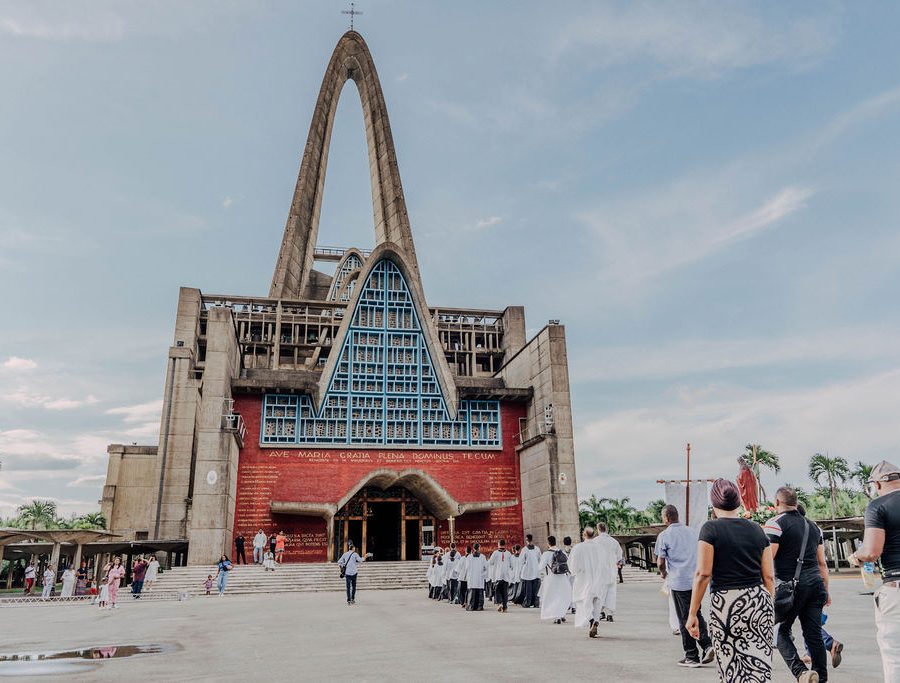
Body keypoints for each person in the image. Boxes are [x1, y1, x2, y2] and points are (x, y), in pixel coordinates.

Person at [686, 478, 774, 682]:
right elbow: (769, 575)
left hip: (726, 605)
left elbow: (703, 574)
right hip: (758, 600)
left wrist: (693, 614)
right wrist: (769, 603)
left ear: (714, 504)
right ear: (738, 503)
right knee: (759, 665)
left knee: (731, 667)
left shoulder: (710, 529)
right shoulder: (757, 529)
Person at [765, 486, 830, 683]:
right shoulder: (814, 526)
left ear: (777, 503)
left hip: (791, 588)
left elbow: (767, 561)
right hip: (816, 585)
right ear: (796, 503)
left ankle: (801, 672)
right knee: (813, 634)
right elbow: (822, 563)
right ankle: (821, 678)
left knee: (780, 630)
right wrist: (826, 590)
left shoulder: (774, 524)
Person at [849, 460, 900, 681]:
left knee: (895, 655)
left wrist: (856, 556)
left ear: (877, 484)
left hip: (896, 585)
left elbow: (871, 551)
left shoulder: (878, 506)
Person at [656, 504, 714, 668]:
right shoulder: (693, 532)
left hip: (679, 581)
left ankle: (693, 654)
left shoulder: (665, 535)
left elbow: (660, 562)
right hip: (696, 580)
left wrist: (663, 574)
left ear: (666, 518)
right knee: (695, 612)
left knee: (684, 618)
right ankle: (705, 646)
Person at [569, 526, 617, 638]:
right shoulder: (600, 548)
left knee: (583, 602)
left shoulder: (578, 548)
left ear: (584, 535)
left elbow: (573, 566)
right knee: (597, 602)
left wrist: (574, 572)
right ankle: (595, 621)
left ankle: (590, 619)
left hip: (584, 579)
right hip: (599, 579)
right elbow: (607, 564)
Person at [539, 535, 573, 624]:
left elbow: (540, 567)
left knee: (553, 597)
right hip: (562, 577)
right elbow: (568, 564)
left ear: (548, 543)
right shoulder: (562, 552)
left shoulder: (546, 554)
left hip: (551, 577)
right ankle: (561, 615)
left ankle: (556, 617)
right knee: (561, 596)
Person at [596, 522, 624, 621]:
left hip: (599, 571)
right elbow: (619, 555)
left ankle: (600, 611)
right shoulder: (614, 541)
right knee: (611, 592)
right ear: (606, 529)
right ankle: (610, 614)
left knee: (600, 592)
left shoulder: (595, 541)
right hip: (612, 570)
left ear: (598, 529)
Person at [488, 539, 516, 613]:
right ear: (505, 545)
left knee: (497, 590)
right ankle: (505, 607)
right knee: (504, 591)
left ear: (498, 545)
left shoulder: (495, 553)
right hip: (506, 576)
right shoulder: (509, 554)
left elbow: (490, 562)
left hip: (498, 575)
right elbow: (512, 565)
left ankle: (500, 603)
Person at [519, 534, 542, 608]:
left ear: (526, 540)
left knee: (528, 590)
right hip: (536, 571)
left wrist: (520, 571)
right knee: (536, 590)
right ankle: (536, 603)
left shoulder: (524, 550)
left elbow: (521, 561)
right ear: (532, 539)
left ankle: (527, 603)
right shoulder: (537, 549)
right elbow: (540, 560)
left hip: (528, 572)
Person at [465, 543, 488, 611]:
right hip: (479, 577)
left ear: (473, 548)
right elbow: (486, 568)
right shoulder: (483, 557)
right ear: (479, 548)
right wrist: (484, 575)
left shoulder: (469, 557)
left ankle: (471, 606)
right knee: (479, 591)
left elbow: (466, 568)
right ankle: (479, 606)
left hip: (471, 577)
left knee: (472, 591)